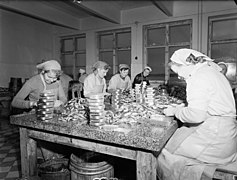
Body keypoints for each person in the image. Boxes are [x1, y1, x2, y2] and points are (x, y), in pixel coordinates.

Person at [157, 48, 237, 180]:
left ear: (187, 64)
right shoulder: (211, 71)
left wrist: (175, 111)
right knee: (177, 140)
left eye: (178, 71)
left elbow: (196, 115)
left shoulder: (198, 77)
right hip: (227, 134)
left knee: (164, 153)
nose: (178, 76)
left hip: (216, 138)